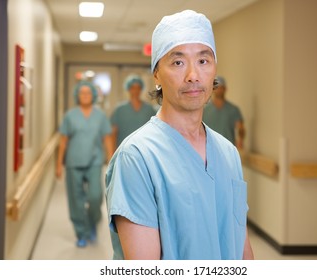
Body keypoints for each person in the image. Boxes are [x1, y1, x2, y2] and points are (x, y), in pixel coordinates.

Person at [106, 10, 254, 260]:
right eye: (178, 62)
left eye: (203, 61)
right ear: (156, 73)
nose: (193, 75)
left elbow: (241, 246)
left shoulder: (228, 152)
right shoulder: (137, 158)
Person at [56, 81, 113, 248]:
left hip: (94, 161)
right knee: (76, 200)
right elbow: (63, 141)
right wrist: (59, 164)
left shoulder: (100, 116)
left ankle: (93, 223)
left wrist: (111, 160)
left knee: (95, 196)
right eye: (82, 93)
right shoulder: (70, 116)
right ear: (77, 96)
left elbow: (107, 138)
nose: (85, 96)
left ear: (93, 96)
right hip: (73, 162)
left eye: (88, 93)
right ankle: (81, 232)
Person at [110, 74, 156, 150]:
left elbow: (154, 132)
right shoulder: (120, 110)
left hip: (144, 149)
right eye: (133, 88)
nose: (135, 90)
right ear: (128, 89)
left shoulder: (149, 109)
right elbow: (113, 133)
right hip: (123, 149)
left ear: (141, 89)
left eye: (138, 88)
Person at [203, 76, 246, 150]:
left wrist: (241, 140)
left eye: (221, 87)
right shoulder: (205, 110)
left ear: (225, 89)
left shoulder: (233, 110)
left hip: (228, 149)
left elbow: (240, 127)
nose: (219, 90)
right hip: (210, 149)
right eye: (217, 88)